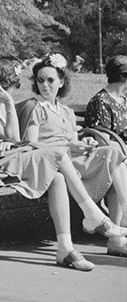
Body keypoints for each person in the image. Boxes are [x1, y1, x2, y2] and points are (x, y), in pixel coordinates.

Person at [0, 57, 126, 271]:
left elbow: (14, 138)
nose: (12, 93)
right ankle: (93, 214)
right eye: (10, 89)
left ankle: (65, 249)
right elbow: (15, 136)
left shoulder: (0, 105)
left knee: (57, 177)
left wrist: (7, 137)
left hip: (12, 157)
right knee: (57, 154)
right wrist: (8, 112)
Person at [18, 54, 127, 259]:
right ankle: (98, 218)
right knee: (108, 158)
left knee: (113, 152)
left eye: (50, 80)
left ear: (61, 82)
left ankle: (124, 213)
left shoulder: (66, 111)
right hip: (49, 161)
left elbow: (73, 141)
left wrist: (86, 144)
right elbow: (30, 143)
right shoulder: (35, 107)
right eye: (40, 80)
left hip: (71, 159)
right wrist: (68, 145)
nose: (45, 85)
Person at [83, 54, 127, 146]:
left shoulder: (123, 99)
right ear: (124, 77)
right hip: (115, 155)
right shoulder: (100, 102)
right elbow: (103, 143)